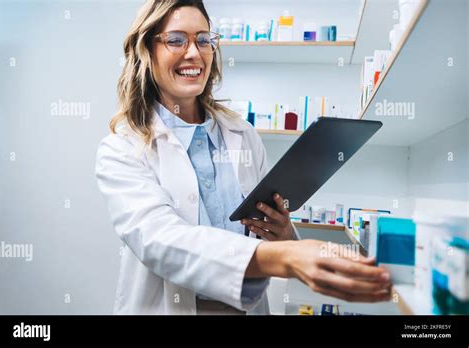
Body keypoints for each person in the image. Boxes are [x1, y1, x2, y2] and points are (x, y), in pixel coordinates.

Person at [95, 0, 392, 315]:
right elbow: (160, 241)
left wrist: (285, 236)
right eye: (176, 40)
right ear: (147, 51)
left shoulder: (242, 133)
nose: (194, 53)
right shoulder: (123, 148)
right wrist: (288, 258)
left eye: (204, 39)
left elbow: (263, 232)